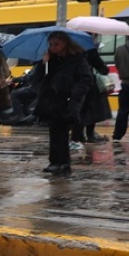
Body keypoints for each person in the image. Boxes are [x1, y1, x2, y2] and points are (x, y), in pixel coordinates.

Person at [32, 31, 94, 177]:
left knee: (62, 131)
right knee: (54, 131)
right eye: (51, 44)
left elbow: (86, 79)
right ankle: (55, 161)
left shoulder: (78, 59)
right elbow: (38, 79)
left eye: (56, 44)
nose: (53, 47)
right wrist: (43, 64)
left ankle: (63, 162)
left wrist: (74, 94)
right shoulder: (52, 60)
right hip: (51, 100)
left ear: (65, 43)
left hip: (67, 100)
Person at [71, 47, 112, 146]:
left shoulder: (70, 49)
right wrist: (104, 68)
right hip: (87, 84)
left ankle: (77, 136)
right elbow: (101, 67)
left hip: (73, 84)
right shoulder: (89, 49)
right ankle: (89, 135)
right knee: (91, 110)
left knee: (78, 109)